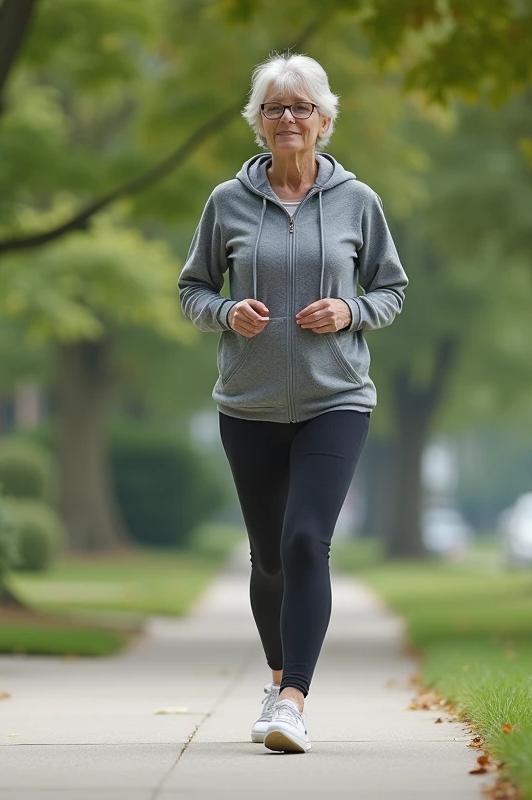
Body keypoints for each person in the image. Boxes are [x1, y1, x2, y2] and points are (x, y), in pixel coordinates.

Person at [177, 52, 408, 754]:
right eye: (275, 107)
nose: (288, 119)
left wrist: (349, 309)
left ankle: (294, 700)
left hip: (335, 399)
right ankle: (278, 681)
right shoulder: (226, 202)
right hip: (247, 403)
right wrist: (225, 314)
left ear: (324, 121)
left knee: (307, 539)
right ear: (258, 122)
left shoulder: (358, 203)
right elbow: (192, 289)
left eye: (301, 107)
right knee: (269, 556)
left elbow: (392, 291)